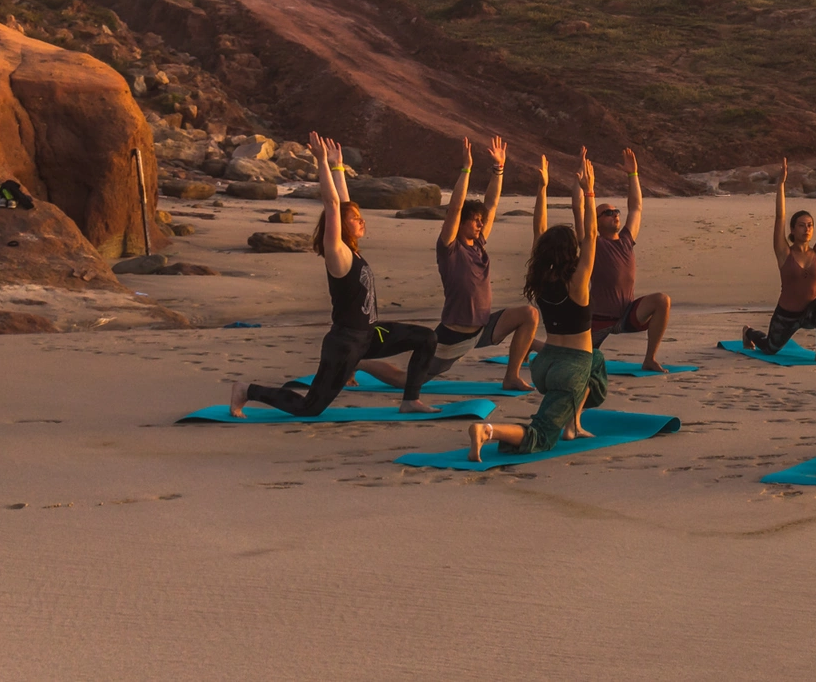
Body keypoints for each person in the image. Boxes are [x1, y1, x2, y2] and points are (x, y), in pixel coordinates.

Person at [227, 134, 438, 418]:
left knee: (426, 338)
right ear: (338, 226)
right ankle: (246, 390)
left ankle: (410, 400)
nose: (361, 220)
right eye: (355, 219)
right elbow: (333, 205)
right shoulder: (337, 253)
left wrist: (339, 168)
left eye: (361, 216)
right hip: (345, 343)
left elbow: (344, 203)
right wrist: (322, 163)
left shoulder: (354, 250)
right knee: (309, 408)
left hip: (371, 334)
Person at [358, 135, 537, 399]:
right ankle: (357, 361)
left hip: (482, 328)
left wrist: (498, 169)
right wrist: (466, 169)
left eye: (480, 221)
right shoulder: (450, 249)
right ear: (462, 223)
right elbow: (454, 208)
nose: (480, 224)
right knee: (404, 379)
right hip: (452, 338)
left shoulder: (479, 245)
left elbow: (491, 204)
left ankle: (511, 377)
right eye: (474, 221)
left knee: (529, 315)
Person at [468, 150, 606, 460]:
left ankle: (573, 423)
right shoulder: (578, 283)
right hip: (569, 368)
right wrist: (590, 192)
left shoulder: (542, 278)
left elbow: (538, 230)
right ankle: (488, 432)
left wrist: (542, 188)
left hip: (544, 366)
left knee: (597, 362)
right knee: (542, 434)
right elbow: (593, 234)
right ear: (571, 252)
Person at [575, 148, 671, 372]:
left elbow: (636, 207)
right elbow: (578, 209)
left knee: (662, 300)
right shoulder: (592, 242)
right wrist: (583, 181)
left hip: (628, 314)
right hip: (598, 319)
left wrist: (633, 175)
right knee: (573, 356)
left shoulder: (627, 240)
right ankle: (532, 346)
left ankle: (650, 358)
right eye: (607, 213)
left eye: (616, 211)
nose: (615, 214)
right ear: (596, 221)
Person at [741, 156, 816, 361]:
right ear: (793, 229)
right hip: (786, 315)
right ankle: (748, 332)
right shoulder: (784, 252)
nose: (807, 229)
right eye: (802, 225)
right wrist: (781, 184)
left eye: (810, 225)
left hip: (809, 314)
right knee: (768, 348)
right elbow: (780, 217)